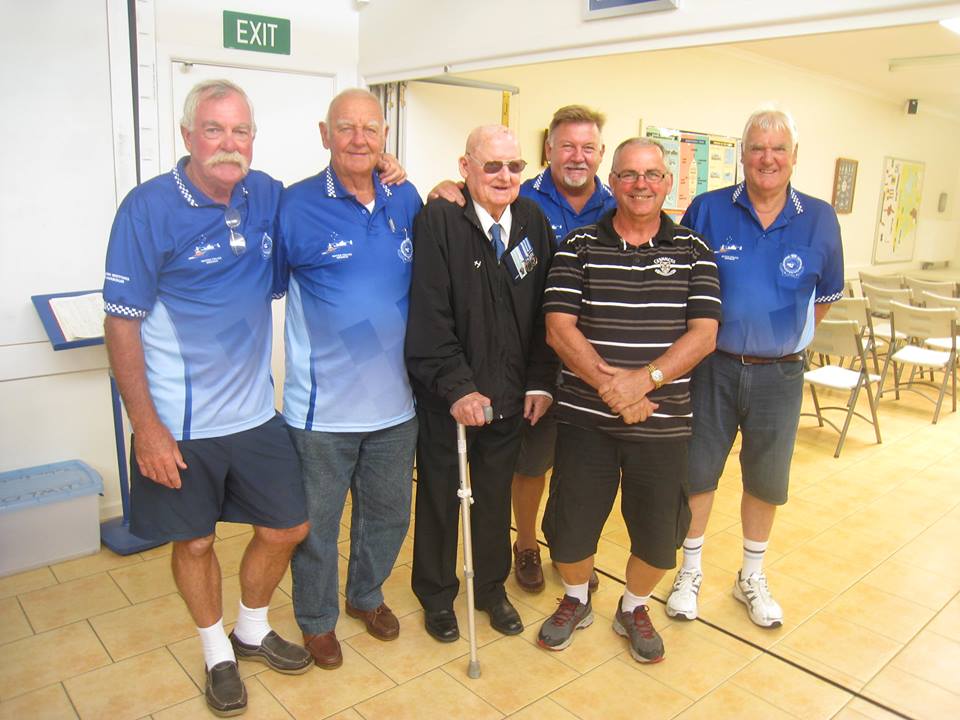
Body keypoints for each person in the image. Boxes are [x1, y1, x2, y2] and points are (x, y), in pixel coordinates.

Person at [103, 79, 311, 718]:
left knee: (287, 526)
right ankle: (216, 648)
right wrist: (147, 426)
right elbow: (121, 321)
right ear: (188, 135)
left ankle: (251, 625)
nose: (229, 143)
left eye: (240, 130)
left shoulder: (266, 195)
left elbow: (330, 193)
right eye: (215, 130)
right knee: (194, 542)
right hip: (180, 422)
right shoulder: (149, 208)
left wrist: (391, 170)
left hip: (253, 413)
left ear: (253, 138)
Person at [537, 138, 720, 663]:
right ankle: (576, 597)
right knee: (569, 531)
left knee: (659, 537)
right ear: (612, 182)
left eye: (652, 175)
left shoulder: (694, 251)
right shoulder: (577, 246)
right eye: (629, 175)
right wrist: (612, 388)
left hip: (662, 425)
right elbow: (557, 328)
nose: (641, 185)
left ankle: (634, 605)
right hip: (585, 422)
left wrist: (646, 379)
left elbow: (704, 334)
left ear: (668, 183)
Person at [665, 108, 844, 628]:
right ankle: (690, 571)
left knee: (766, 479)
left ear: (793, 157)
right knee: (698, 471)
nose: (768, 158)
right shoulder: (707, 209)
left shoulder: (819, 217)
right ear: (742, 155)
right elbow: (679, 283)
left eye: (779, 149)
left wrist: (779, 336)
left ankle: (751, 576)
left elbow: (825, 296)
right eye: (758, 148)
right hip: (711, 367)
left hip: (780, 374)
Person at [431, 105, 616, 593]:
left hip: (590, 369)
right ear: (548, 151)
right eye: (567, 146)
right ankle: (519, 549)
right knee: (521, 470)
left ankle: (570, 556)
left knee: (577, 470)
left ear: (600, 154)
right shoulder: (508, 203)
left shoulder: (619, 208)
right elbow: (438, 310)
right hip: (507, 374)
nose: (578, 156)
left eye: (588, 147)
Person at [276, 89, 423, 669]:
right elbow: (263, 286)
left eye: (369, 128)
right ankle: (316, 621)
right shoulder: (295, 205)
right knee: (314, 525)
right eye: (346, 128)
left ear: (384, 134)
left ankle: (365, 596)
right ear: (324, 133)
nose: (359, 139)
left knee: (388, 514)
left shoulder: (405, 196)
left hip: (397, 406)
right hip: (322, 411)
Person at [406, 125, 557, 643]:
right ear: (465, 167)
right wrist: (457, 388)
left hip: (511, 397)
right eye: (491, 166)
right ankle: (435, 593)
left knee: (493, 499)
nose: (504, 176)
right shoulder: (438, 220)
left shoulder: (534, 221)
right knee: (442, 498)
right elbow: (430, 316)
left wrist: (540, 381)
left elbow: (546, 313)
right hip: (449, 401)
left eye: (514, 167)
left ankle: (491, 589)